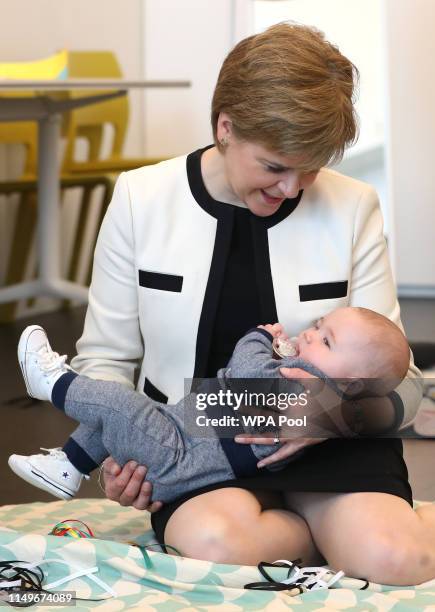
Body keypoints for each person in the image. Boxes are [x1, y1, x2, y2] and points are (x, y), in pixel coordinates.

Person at [18, 21, 431, 584]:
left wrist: (315, 419)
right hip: (192, 438)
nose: (292, 188)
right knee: (214, 543)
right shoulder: (141, 198)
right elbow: (105, 361)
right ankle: (329, 539)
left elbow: (400, 378)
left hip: (333, 434)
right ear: (225, 127)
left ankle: (344, 537)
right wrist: (117, 457)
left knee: (395, 560)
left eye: (310, 168)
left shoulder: (353, 205)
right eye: (275, 166)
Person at [10, 307, 410, 502]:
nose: (309, 334)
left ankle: (54, 384)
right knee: (119, 416)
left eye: (326, 341)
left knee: (118, 405)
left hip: (181, 456)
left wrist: (257, 337)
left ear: (354, 383)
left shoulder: (304, 388)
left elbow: (245, 373)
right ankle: (69, 465)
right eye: (319, 324)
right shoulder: (306, 374)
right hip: (187, 431)